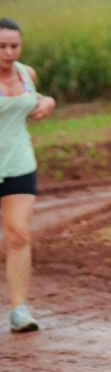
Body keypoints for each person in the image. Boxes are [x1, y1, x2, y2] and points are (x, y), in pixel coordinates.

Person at [0, 18, 57, 332]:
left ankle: (19, 309)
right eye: (1, 46)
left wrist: (48, 101)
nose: (8, 52)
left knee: (19, 234)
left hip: (19, 163)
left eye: (14, 46)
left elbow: (36, 99)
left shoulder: (26, 73)